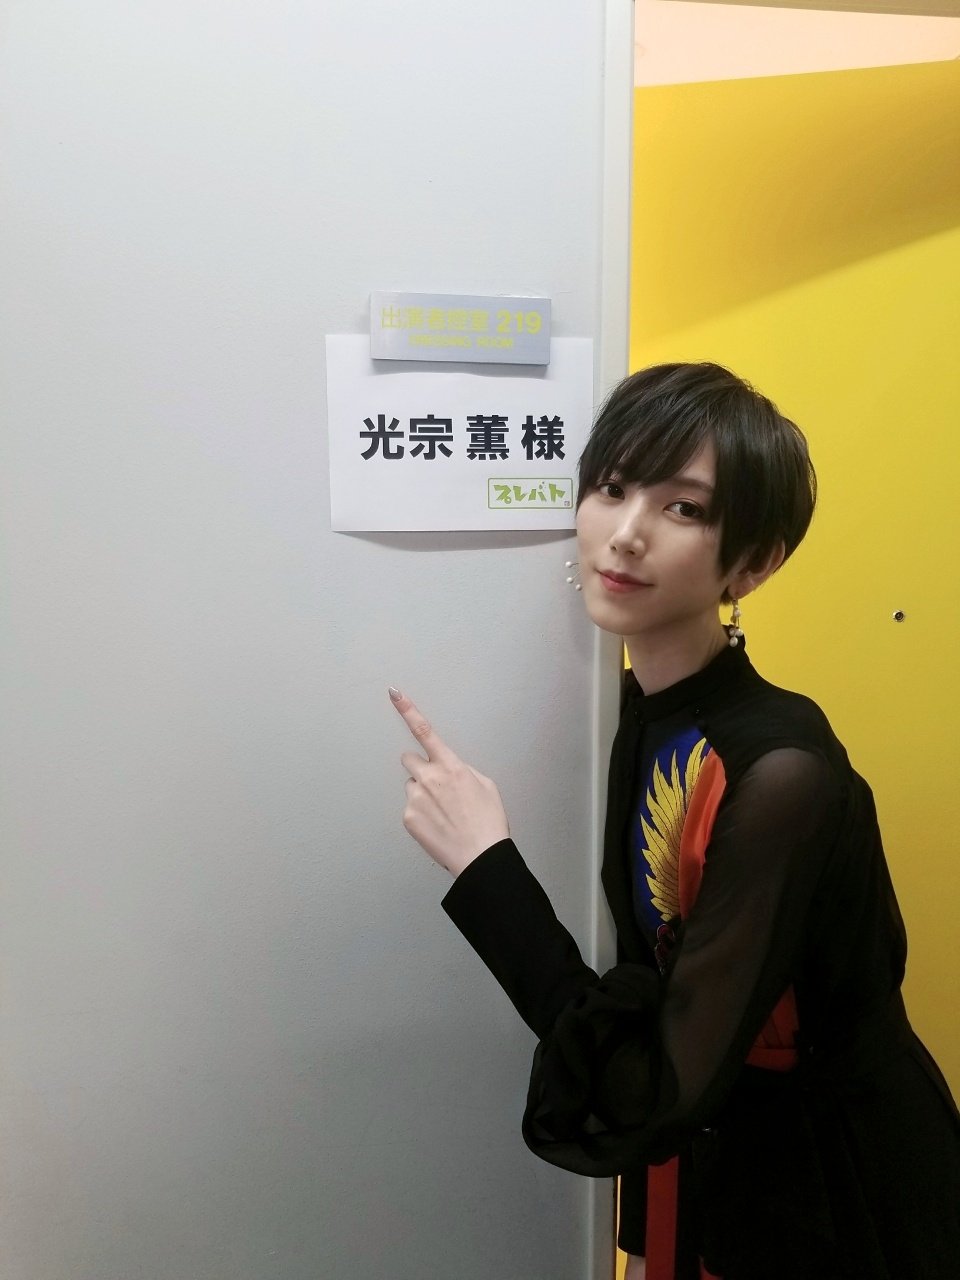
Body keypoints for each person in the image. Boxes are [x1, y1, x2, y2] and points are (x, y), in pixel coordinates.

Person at [390, 362, 960, 1280]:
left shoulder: (781, 771)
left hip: (829, 1189)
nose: (626, 533)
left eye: (683, 508)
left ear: (754, 563)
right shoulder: (627, 717)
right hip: (716, 1154)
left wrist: (487, 871)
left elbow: (656, 1089)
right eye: (613, 487)